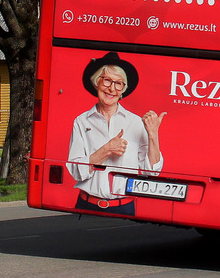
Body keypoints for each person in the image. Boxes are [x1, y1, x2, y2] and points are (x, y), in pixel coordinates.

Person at [67, 52, 166, 215]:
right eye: (107, 80)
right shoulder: (81, 121)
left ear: (123, 90)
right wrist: (106, 150)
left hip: (124, 208)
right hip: (87, 206)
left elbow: (151, 171)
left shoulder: (135, 122)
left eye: (119, 83)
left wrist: (153, 134)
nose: (112, 88)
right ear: (96, 82)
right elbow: (76, 170)